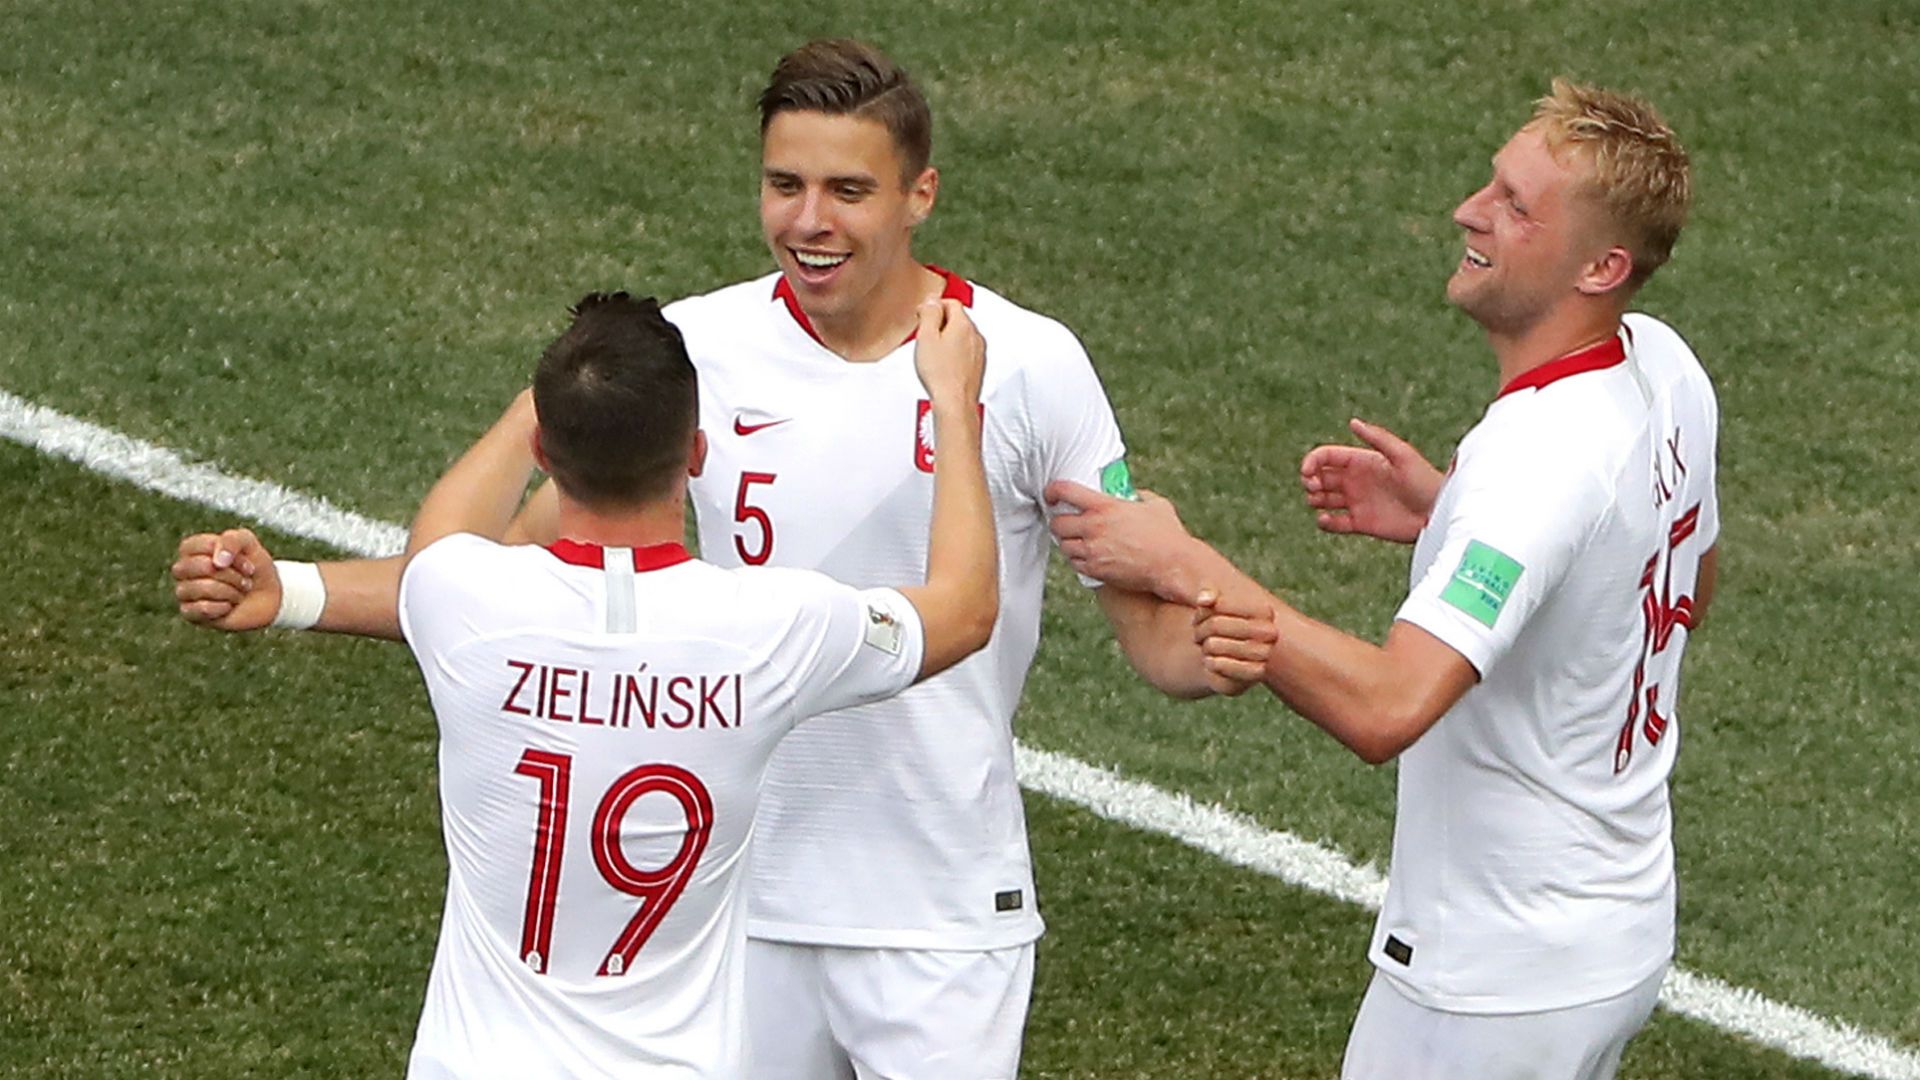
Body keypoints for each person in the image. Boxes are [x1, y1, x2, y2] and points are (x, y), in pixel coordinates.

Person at [173, 39, 1232, 1079]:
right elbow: (518, 567)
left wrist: (1224, 642)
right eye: (785, 184)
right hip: (735, 909)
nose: (809, 222)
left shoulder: (1034, 364)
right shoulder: (694, 349)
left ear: (921, 195)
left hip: (941, 905)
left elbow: (1158, 642)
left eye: (848, 190)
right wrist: (296, 590)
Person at [1046, 80, 1718, 1080]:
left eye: (1514, 204)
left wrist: (1188, 564)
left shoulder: (1537, 464)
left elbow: (1388, 706)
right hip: (1610, 933)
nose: (1469, 210)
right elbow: (1678, 583)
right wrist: (1450, 517)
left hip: (1495, 971)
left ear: (1601, 265)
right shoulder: (1665, 369)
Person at [188, 290, 998, 1076]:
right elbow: (963, 611)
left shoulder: (463, 597)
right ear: (696, 455)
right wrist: (954, 404)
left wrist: (286, 592)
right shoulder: (771, 627)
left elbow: (434, 550)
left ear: (544, 451)